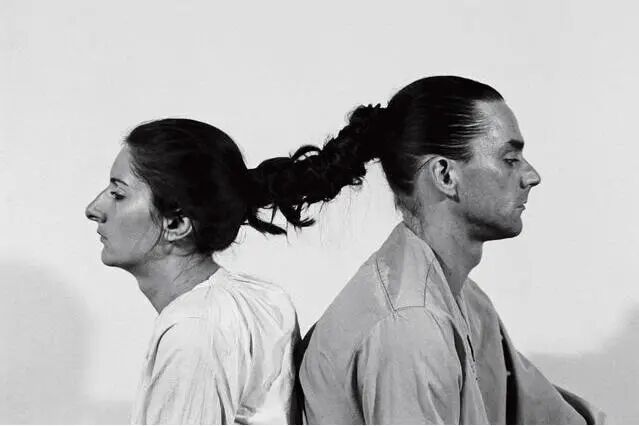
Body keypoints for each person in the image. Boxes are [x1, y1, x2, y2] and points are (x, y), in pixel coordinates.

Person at [294, 76, 605, 424]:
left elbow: (552, 416)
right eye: (510, 159)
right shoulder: (411, 325)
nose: (532, 176)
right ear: (445, 175)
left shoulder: (469, 302)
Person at [85, 118, 305, 424]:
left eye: (118, 195)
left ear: (176, 224)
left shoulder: (193, 331)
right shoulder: (265, 299)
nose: (93, 209)